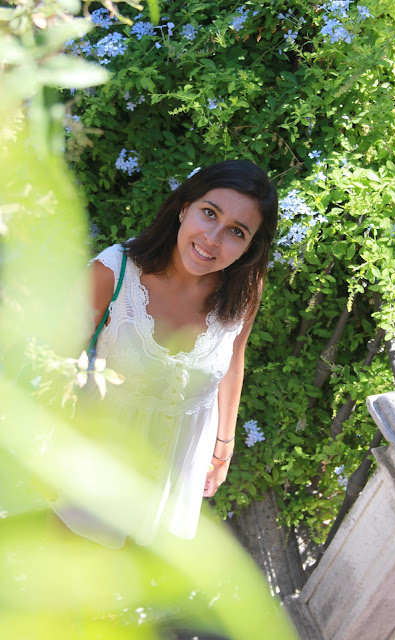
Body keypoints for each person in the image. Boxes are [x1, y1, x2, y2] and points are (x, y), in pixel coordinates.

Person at [53, 159, 278, 547]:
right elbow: (54, 356)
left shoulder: (244, 292)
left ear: (249, 246)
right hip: (96, 467)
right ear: (184, 207)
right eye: (210, 213)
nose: (213, 238)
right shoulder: (115, 272)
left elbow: (233, 363)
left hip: (174, 476)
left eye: (236, 232)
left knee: (136, 573)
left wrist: (223, 451)